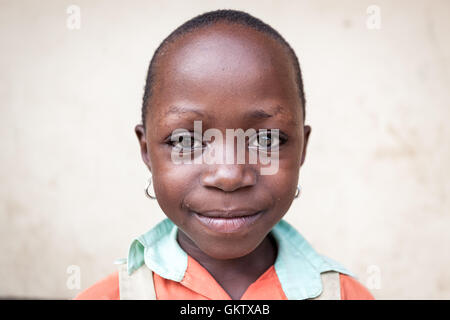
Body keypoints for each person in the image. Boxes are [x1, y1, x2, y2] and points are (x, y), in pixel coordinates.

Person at [75, 9, 374, 300]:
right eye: (185, 140)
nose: (229, 175)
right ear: (147, 151)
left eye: (267, 139)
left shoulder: (345, 296)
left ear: (301, 150)